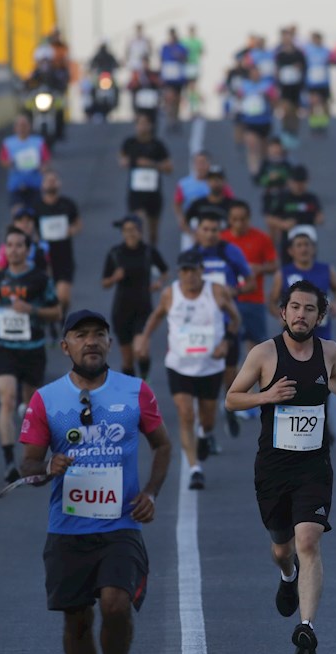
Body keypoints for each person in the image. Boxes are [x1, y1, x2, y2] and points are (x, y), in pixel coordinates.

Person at [19, 309, 172, 654]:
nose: (90, 341)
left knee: (116, 605)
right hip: (68, 528)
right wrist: (46, 468)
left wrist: (150, 493)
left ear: (109, 343)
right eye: (80, 335)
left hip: (120, 525)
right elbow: (28, 465)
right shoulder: (46, 398)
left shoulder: (135, 391)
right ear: (65, 346)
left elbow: (162, 445)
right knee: (77, 621)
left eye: (98, 334)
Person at [225, 279, 336, 654]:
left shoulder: (329, 350)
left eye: (310, 309)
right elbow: (232, 398)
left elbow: (334, 377)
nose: (302, 315)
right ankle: (287, 577)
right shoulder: (264, 354)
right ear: (283, 312)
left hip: (314, 466)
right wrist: (266, 395)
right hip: (273, 467)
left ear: (321, 316)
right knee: (283, 547)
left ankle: (306, 627)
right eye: (295, 308)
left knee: (309, 542)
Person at [135, 250, 241, 490]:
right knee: (185, 414)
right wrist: (144, 338)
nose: (189, 276)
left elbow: (235, 319)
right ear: (179, 272)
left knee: (207, 418)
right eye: (184, 271)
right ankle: (195, 469)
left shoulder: (216, 292)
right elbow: (156, 317)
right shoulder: (170, 294)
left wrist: (226, 342)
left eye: (193, 270)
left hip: (210, 367)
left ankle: (205, 434)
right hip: (179, 366)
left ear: (201, 271)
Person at [0, 226, 61, 483]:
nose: (14, 250)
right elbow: (0, 301)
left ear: (27, 249)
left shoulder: (40, 279)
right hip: (5, 348)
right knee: (8, 399)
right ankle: (10, 461)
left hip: (33, 349)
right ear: (4, 249)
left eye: (19, 245)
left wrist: (31, 310)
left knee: (31, 408)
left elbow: (56, 312)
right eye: (9, 245)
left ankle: (31, 459)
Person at [192, 212, 254, 443]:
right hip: (199, 329)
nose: (210, 234)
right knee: (202, 384)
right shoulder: (191, 256)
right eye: (205, 229)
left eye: (214, 230)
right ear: (198, 231)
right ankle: (205, 432)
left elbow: (249, 282)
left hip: (228, 324)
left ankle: (228, 410)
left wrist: (233, 292)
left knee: (229, 379)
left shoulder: (230, 252)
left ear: (220, 231)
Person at [220, 200, 279, 432]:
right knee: (230, 354)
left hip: (253, 302)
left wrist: (258, 268)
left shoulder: (261, 238)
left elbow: (274, 265)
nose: (239, 223)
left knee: (257, 351)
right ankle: (233, 396)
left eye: (243, 218)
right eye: (234, 219)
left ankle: (251, 399)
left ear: (249, 217)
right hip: (228, 304)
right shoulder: (222, 240)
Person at [102, 214, 169, 378]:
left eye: (133, 230)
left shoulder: (148, 251)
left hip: (143, 308)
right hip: (122, 310)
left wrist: (158, 283)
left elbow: (165, 271)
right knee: (127, 360)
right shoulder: (115, 253)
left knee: (141, 351)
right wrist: (113, 278)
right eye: (126, 230)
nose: (129, 234)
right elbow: (104, 283)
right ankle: (131, 391)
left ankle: (144, 381)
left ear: (140, 231)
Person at [271, 226, 336, 341]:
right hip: (294, 331)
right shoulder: (283, 274)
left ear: (313, 249)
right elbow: (272, 301)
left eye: (306, 245)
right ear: (291, 251)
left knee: (322, 357)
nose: (304, 249)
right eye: (299, 245)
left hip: (321, 330)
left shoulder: (327, 270)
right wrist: (281, 316)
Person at [35, 170, 82, 332]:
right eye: (48, 180)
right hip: (44, 258)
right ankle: (52, 319)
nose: (51, 183)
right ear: (42, 185)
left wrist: (72, 230)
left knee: (64, 296)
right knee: (47, 295)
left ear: (59, 184)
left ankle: (60, 317)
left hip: (64, 255)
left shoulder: (67, 204)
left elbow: (78, 224)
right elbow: (29, 230)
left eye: (54, 180)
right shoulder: (36, 207)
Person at [120, 114, 173, 246]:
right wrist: (134, 162)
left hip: (153, 193)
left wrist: (151, 164)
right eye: (140, 124)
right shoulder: (129, 143)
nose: (142, 127)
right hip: (136, 193)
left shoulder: (158, 145)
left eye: (145, 124)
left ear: (151, 126)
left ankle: (152, 254)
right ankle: (141, 256)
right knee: (138, 224)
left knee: (153, 232)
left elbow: (169, 167)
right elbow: (122, 161)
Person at [174, 151, 235, 250]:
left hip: (224, 244)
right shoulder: (198, 203)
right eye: (213, 180)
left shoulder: (231, 204)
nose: (216, 183)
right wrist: (193, 234)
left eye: (218, 179)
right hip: (200, 244)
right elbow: (179, 208)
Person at [267, 165, 324, 263]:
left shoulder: (312, 198)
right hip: (289, 240)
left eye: (302, 183)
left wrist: (319, 219)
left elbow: (320, 215)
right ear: (290, 182)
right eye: (296, 183)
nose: (299, 186)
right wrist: (283, 224)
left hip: (308, 238)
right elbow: (270, 218)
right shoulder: (283, 198)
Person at [0, 113, 50, 211]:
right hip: (16, 185)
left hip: (35, 184)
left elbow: (46, 160)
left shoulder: (39, 142)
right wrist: (10, 163)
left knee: (36, 214)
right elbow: (3, 160)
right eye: (20, 125)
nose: (22, 128)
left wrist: (43, 168)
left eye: (25, 125)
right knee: (18, 214)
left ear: (29, 127)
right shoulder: (8, 143)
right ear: (15, 128)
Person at [236, 64, 279, 175]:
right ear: (250, 75)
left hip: (264, 121)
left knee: (264, 149)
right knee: (252, 147)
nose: (255, 75)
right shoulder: (244, 86)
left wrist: (271, 108)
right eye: (253, 73)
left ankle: (264, 167)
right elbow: (239, 99)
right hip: (250, 121)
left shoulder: (267, 86)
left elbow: (274, 99)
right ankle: (254, 171)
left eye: (257, 73)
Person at [274, 28, 307, 144]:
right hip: (284, 86)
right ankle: (285, 130)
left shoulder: (298, 53)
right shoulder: (279, 54)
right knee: (285, 108)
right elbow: (276, 70)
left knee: (294, 110)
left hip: (296, 85)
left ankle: (294, 130)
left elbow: (304, 68)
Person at [0, 207, 50, 274]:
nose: (24, 225)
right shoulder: (6, 247)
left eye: (28, 221)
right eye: (20, 221)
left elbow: (47, 273)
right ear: (14, 223)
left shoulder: (43, 246)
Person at [255, 137, 294, 219]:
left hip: (283, 195)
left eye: (277, 147)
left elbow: (291, 178)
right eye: (273, 147)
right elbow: (258, 180)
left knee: (282, 218)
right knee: (269, 219)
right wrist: (268, 178)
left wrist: (281, 176)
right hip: (269, 195)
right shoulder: (265, 164)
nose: (275, 150)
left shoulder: (286, 164)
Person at [160, 27, 189, 131]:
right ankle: (170, 118)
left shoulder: (181, 47)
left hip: (178, 78)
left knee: (177, 99)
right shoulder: (165, 47)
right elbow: (162, 61)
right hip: (169, 78)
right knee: (169, 98)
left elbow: (185, 58)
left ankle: (175, 118)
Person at [304, 32, 333, 133]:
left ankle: (323, 123)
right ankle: (314, 124)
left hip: (324, 82)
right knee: (313, 104)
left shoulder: (326, 50)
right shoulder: (307, 51)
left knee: (324, 104)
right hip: (312, 82)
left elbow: (332, 61)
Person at [127, 55, 163, 125]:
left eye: (146, 63)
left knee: (152, 121)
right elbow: (130, 86)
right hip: (141, 104)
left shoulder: (153, 74)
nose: (144, 65)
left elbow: (160, 84)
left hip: (151, 103)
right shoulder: (137, 75)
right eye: (143, 63)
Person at [182, 25, 205, 116]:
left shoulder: (198, 41)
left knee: (193, 86)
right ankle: (191, 107)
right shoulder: (184, 41)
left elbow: (201, 51)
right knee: (189, 87)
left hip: (194, 65)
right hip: (187, 65)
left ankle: (195, 107)